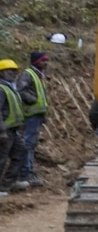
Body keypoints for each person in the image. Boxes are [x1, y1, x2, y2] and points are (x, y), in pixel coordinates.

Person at [16, 51, 50, 187]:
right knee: (28, 143)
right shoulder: (28, 74)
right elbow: (21, 90)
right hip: (30, 115)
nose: (46, 63)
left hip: (36, 115)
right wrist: (32, 100)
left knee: (31, 143)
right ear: (36, 62)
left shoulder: (38, 76)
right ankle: (25, 172)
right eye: (43, 60)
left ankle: (27, 170)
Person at [0, 59, 30, 196]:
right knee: (1, 159)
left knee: (21, 152)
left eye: (14, 71)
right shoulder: (1, 88)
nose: (13, 73)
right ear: (1, 73)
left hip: (13, 130)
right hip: (4, 131)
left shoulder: (11, 87)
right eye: (9, 71)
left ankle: (7, 184)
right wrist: (1, 131)